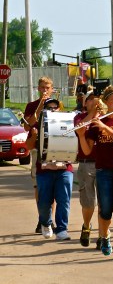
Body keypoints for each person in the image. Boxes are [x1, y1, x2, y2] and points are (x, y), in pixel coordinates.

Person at [77, 86, 113, 259]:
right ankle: (105, 238)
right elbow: (87, 151)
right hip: (103, 170)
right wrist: (81, 135)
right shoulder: (97, 123)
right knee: (106, 210)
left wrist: (105, 127)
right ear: (107, 103)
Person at [25, 98, 73, 241]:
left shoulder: (68, 123)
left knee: (64, 200)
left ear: (59, 109)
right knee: (44, 201)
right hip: (44, 170)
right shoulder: (38, 125)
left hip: (64, 168)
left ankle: (62, 229)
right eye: (49, 107)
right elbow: (28, 146)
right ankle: (46, 223)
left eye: (55, 107)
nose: (52, 110)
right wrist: (34, 136)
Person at [23, 76, 55, 234]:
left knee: (53, 186)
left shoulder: (57, 105)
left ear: (52, 89)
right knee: (39, 186)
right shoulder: (31, 106)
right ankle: (42, 218)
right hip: (37, 148)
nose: (45, 90)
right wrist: (41, 105)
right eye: (42, 87)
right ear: (38, 88)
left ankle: (51, 220)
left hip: (53, 148)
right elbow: (26, 126)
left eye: (47, 88)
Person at [73, 90, 99, 247]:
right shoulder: (79, 117)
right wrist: (93, 114)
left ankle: (104, 234)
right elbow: (79, 128)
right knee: (88, 202)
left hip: (104, 164)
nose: (94, 103)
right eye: (90, 100)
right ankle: (87, 226)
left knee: (105, 203)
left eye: (97, 100)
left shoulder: (106, 117)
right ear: (85, 103)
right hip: (85, 163)